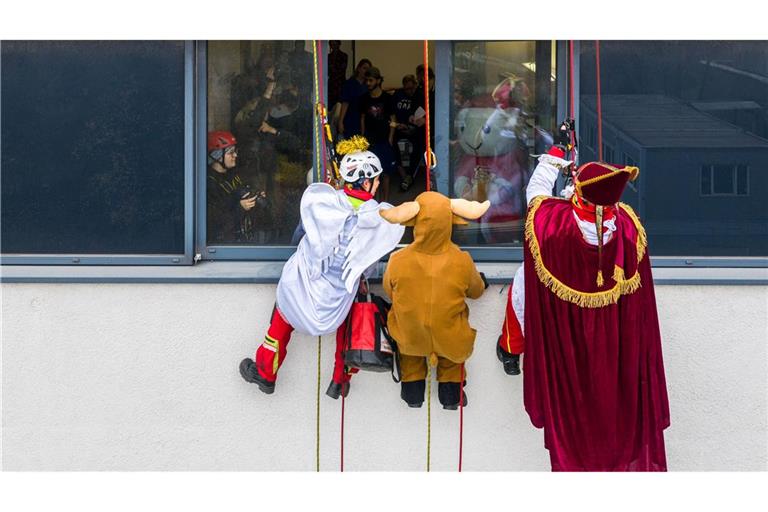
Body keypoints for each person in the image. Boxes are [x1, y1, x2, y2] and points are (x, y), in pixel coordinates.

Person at [497, 135, 670, 471]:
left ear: (579, 195)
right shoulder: (630, 230)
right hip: (616, 351)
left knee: (522, 286)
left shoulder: (551, 228)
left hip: (568, 346)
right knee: (611, 410)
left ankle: (510, 348)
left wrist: (554, 157)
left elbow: (536, 196)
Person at [239, 136, 405, 399]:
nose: (377, 185)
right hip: (340, 294)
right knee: (348, 323)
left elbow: (299, 237)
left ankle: (265, 372)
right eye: (375, 179)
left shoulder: (324, 202)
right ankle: (340, 380)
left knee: (283, 311)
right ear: (366, 180)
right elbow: (370, 266)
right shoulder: (380, 216)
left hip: (306, 281)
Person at [380, 193, 490, 409]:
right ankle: (450, 398)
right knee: (452, 355)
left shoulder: (397, 260)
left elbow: (389, 290)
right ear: (450, 221)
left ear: (415, 223)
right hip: (450, 335)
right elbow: (476, 292)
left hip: (410, 336)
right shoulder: (462, 260)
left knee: (409, 350)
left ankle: (413, 394)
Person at [206, 131, 265, 243]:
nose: (235, 155)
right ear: (217, 156)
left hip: (241, 236)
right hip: (223, 244)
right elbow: (214, 220)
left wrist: (254, 195)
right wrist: (240, 208)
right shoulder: (209, 183)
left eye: (235, 151)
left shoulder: (233, 175)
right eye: (231, 152)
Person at [359, 67, 400, 202]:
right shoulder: (364, 98)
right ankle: (372, 204)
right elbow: (363, 118)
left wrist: (390, 138)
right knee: (370, 174)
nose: (368, 83)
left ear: (378, 80)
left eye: (371, 80)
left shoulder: (387, 98)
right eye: (366, 81)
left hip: (384, 141)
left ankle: (385, 203)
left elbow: (393, 119)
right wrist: (363, 138)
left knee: (385, 175)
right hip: (369, 141)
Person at [391, 74, 419, 191]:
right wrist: (397, 125)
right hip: (398, 127)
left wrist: (411, 127)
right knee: (391, 144)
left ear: (415, 86)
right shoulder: (398, 94)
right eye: (406, 88)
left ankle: (410, 175)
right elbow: (391, 114)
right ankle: (403, 175)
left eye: (411, 88)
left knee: (419, 145)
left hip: (413, 128)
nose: (409, 91)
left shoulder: (418, 96)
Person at [337, 58, 371, 139]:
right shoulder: (350, 83)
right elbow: (345, 103)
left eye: (368, 69)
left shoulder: (368, 85)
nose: (366, 71)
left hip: (364, 121)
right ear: (359, 68)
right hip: (351, 119)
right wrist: (340, 121)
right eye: (364, 68)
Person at [327, 40, 348, 110]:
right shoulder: (328, 57)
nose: (334, 46)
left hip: (340, 85)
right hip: (331, 86)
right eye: (332, 44)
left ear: (339, 44)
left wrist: (332, 71)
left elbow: (342, 71)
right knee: (330, 108)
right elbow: (327, 71)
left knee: (340, 107)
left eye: (335, 44)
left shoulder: (344, 56)